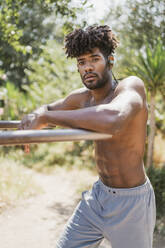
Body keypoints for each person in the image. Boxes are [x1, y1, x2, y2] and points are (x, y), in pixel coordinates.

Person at [19, 25, 156, 248]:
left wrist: (46, 116)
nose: (88, 67)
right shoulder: (82, 98)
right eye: (82, 62)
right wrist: (35, 120)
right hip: (98, 196)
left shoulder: (130, 87)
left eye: (94, 59)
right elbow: (47, 110)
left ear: (110, 61)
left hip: (132, 203)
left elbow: (113, 119)